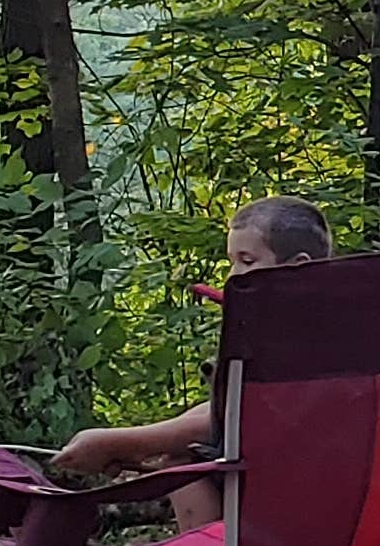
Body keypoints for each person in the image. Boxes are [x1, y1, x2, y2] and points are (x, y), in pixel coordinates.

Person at [45, 196, 331, 526]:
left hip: (289, 511)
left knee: (181, 464)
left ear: (298, 266)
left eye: (247, 262)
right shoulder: (353, 330)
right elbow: (225, 407)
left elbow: (231, 418)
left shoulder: (285, 341)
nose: (233, 276)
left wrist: (122, 441)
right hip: (357, 508)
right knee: (182, 453)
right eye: (232, 262)